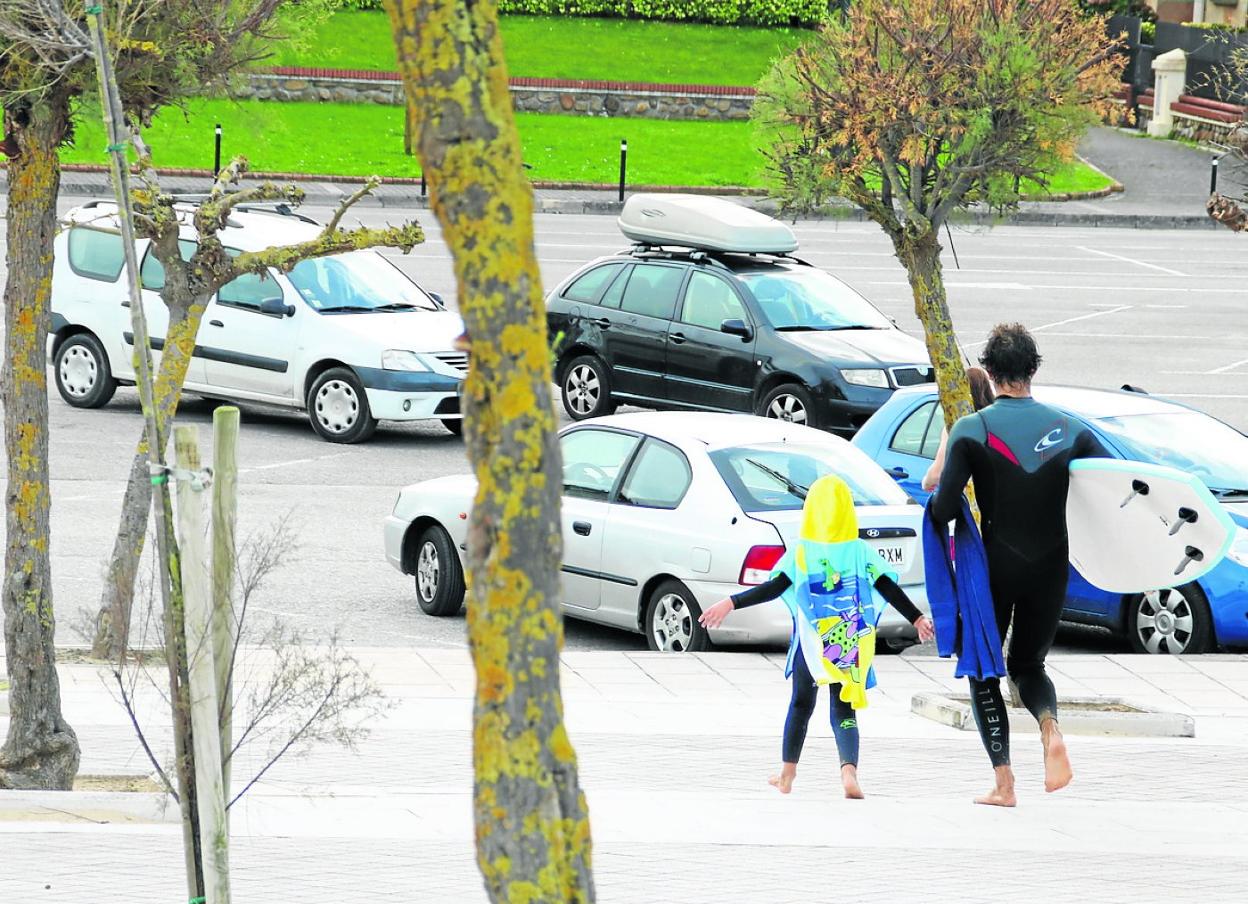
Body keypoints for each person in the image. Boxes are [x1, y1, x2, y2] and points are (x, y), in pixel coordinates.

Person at [928, 323, 1109, 807]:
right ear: (1033, 369)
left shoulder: (973, 428)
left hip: (996, 568)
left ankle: (1004, 784)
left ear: (989, 371)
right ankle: (1050, 729)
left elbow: (944, 509)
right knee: (1028, 664)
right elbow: (1110, 491)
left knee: (985, 669)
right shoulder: (1071, 430)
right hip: (1051, 567)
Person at [700, 475, 935, 799]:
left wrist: (731, 602)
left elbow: (775, 588)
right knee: (844, 708)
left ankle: (787, 774)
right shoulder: (858, 550)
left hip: (813, 643)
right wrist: (917, 617)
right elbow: (887, 587)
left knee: (800, 704)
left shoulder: (801, 552)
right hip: (849, 639)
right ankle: (848, 773)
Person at [921, 366, 995, 492]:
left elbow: (937, 474)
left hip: (971, 500)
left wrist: (926, 483)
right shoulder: (996, 420)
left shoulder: (957, 426)